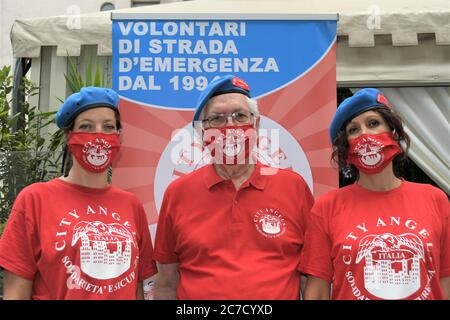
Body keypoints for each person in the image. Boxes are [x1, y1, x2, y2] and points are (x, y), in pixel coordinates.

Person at [153, 74, 314, 299]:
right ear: (202, 132)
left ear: (255, 125)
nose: (231, 127)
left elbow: (312, 280)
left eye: (240, 116)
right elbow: (166, 283)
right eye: (217, 118)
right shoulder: (178, 193)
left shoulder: (293, 187)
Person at [0, 87, 157, 299]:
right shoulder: (35, 200)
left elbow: (138, 288)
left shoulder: (132, 205)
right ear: (69, 136)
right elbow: (15, 293)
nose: (99, 136)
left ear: (118, 136)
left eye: (108, 127)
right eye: (86, 126)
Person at [300, 88, 450, 300]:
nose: (365, 135)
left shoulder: (435, 199)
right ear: (346, 147)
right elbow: (317, 291)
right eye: (353, 130)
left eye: (373, 123)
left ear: (393, 131)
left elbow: (444, 281)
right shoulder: (327, 207)